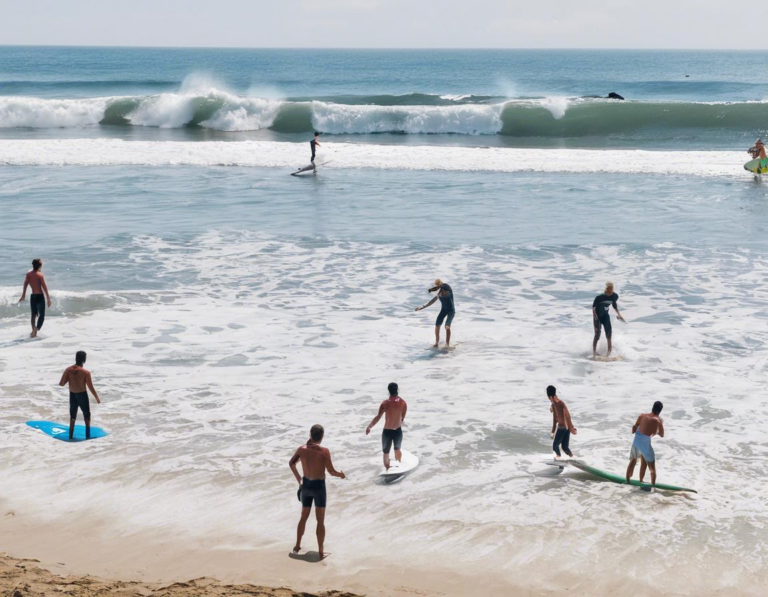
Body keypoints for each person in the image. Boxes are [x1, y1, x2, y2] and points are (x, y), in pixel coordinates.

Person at [289, 424, 345, 559]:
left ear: (310, 434)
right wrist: (341, 475)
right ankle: (320, 551)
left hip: (306, 486)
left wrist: (299, 481)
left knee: (304, 517)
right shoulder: (324, 451)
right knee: (320, 521)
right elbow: (331, 471)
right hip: (319, 487)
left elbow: (291, 463)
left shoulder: (301, 449)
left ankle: (297, 546)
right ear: (322, 436)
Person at [59, 351, 101, 440]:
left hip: (72, 395)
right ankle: (88, 436)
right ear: (84, 360)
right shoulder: (86, 373)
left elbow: (61, 383)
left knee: (73, 416)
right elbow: (90, 387)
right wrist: (96, 397)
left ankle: (70, 436)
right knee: (87, 416)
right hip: (82, 395)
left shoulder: (68, 370)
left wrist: (71, 378)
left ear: (76, 358)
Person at [366, 382, 408, 470]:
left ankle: (387, 469)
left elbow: (378, 417)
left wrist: (369, 427)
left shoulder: (385, 403)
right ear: (397, 390)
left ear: (388, 391)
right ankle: (399, 467)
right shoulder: (403, 403)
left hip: (387, 432)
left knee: (386, 453)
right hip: (397, 431)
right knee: (397, 450)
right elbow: (402, 418)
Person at [625, 401, 665, 488]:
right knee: (652, 468)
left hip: (636, 441)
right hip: (646, 444)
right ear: (660, 411)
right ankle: (653, 487)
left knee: (633, 461)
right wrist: (655, 431)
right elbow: (662, 435)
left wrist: (635, 431)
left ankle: (628, 481)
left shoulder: (642, 415)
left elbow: (634, 428)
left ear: (652, 407)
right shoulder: (658, 421)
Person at [415, 279, 455, 347]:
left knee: (447, 327)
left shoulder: (449, 290)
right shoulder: (439, 294)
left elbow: (445, 286)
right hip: (443, 310)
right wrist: (421, 307)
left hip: (451, 311)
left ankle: (447, 344)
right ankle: (436, 343)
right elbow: (431, 302)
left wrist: (437, 287)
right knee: (437, 325)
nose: (443, 292)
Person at [18, 258, 51, 338]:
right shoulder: (40, 275)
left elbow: (25, 284)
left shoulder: (28, 274)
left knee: (33, 315)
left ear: (33, 265)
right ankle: (36, 329)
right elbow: (44, 287)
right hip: (40, 296)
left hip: (33, 297)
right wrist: (48, 298)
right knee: (42, 315)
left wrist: (23, 295)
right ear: (40, 266)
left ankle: (33, 331)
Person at [592, 281, 625, 358]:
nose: (610, 290)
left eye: (611, 289)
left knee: (609, 335)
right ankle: (594, 353)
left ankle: (608, 353)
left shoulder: (615, 296)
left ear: (613, 289)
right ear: (606, 289)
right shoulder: (599, 297)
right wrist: (595, 316)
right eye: (608, 289)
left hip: (605, 316)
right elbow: (593, 308)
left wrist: (619, 315)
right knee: (597, 335)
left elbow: (614, 305)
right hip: (597, 317)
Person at [547, 385, 576, 458]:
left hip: (562, 428)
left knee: (555, 446)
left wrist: (571, 427)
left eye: (549, 398)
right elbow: (555, 420)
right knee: (565, 448)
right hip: (566, 428)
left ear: (550, 397)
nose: (549, 400)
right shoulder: (554, 404)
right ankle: (573, 458)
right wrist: (553, 431)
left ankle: (559, 458)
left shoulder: (560, 403)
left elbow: (568, 415)